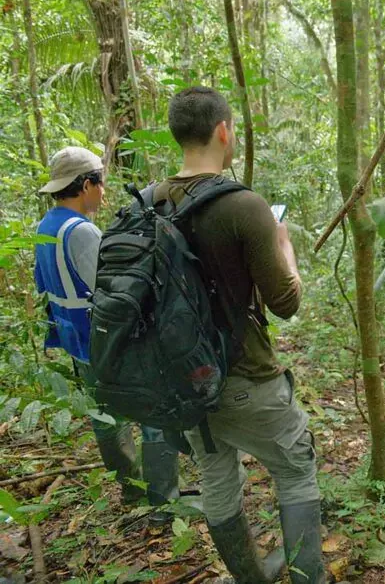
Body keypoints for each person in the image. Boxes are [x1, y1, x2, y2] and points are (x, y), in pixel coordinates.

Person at [155, 86, 323, 583]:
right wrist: (285, 249)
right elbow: (285, 302)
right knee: (295, 468)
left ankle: (250, 577)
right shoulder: (244, 206)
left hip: (184, 382)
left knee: (216, 476)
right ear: (223, 131)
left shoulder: (149, 203)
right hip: (245, 376)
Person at [34, 147, 180, 522]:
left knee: (105, 418)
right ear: (86, 185)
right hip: (107, 341)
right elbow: (114, 287)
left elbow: (43, 286)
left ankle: (131, 490)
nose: (104, 191)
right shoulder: (81, 231)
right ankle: (163, 505)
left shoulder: (46, 225)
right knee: (155, 415)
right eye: (101, 183)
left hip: (76, 341)